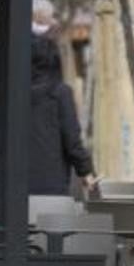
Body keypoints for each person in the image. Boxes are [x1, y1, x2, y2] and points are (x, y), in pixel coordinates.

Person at [28, 35, 96, 195]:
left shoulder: (13, 94)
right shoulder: (60, 92)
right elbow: (72, 139)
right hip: (52, 183)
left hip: (13, 186)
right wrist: (85, 170)